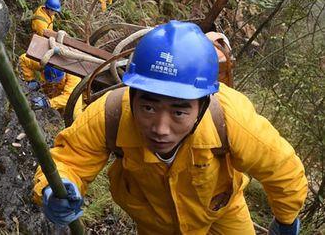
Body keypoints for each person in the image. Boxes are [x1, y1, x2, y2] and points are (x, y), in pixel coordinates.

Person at [32, 20, 307, 234]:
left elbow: (282, 169)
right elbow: (69, 160)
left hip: (222, 212)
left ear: (202, 104)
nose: (161, 128)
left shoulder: (230, 118)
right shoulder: (111, 114)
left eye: (178, 111)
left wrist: (285, 220)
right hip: (154, 223)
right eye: (148, 107)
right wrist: (57, 187)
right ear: (133, 93)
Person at [19, 0, 82, 116]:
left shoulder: (74, 76)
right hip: (43, 47)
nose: (54, 13)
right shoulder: (40, 23)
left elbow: (68, 97)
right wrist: (31, 81)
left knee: (75, 113)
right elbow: (23, 59)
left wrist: (48, 103)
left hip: (67, 95)